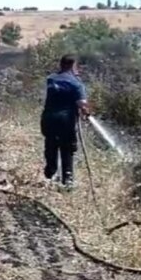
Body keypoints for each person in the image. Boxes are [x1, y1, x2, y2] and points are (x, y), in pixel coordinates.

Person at [40, 54, 90, 187]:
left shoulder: (51, 79)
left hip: (48, 118)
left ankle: (50, 170)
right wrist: (85, 112)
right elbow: (82, 104)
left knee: (51, 144)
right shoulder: (76, 84)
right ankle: (67, 179)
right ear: (73, 66)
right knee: (67, 149)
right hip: (65, 121)